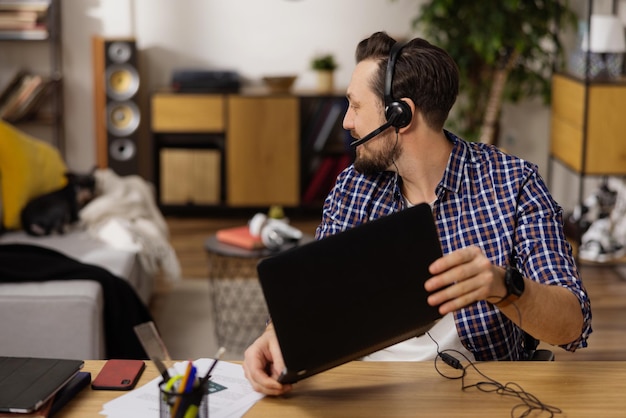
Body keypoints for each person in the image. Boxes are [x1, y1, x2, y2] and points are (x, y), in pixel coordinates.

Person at [243, 31, 592, 395]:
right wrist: (274, 336)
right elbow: (312, 294)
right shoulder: (354, 186)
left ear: (400, 114)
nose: (347, 122)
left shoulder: (512, 183)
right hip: (364, 392)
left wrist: (504, 288)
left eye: (356, 106)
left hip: (478, 394)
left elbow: (572, 326)